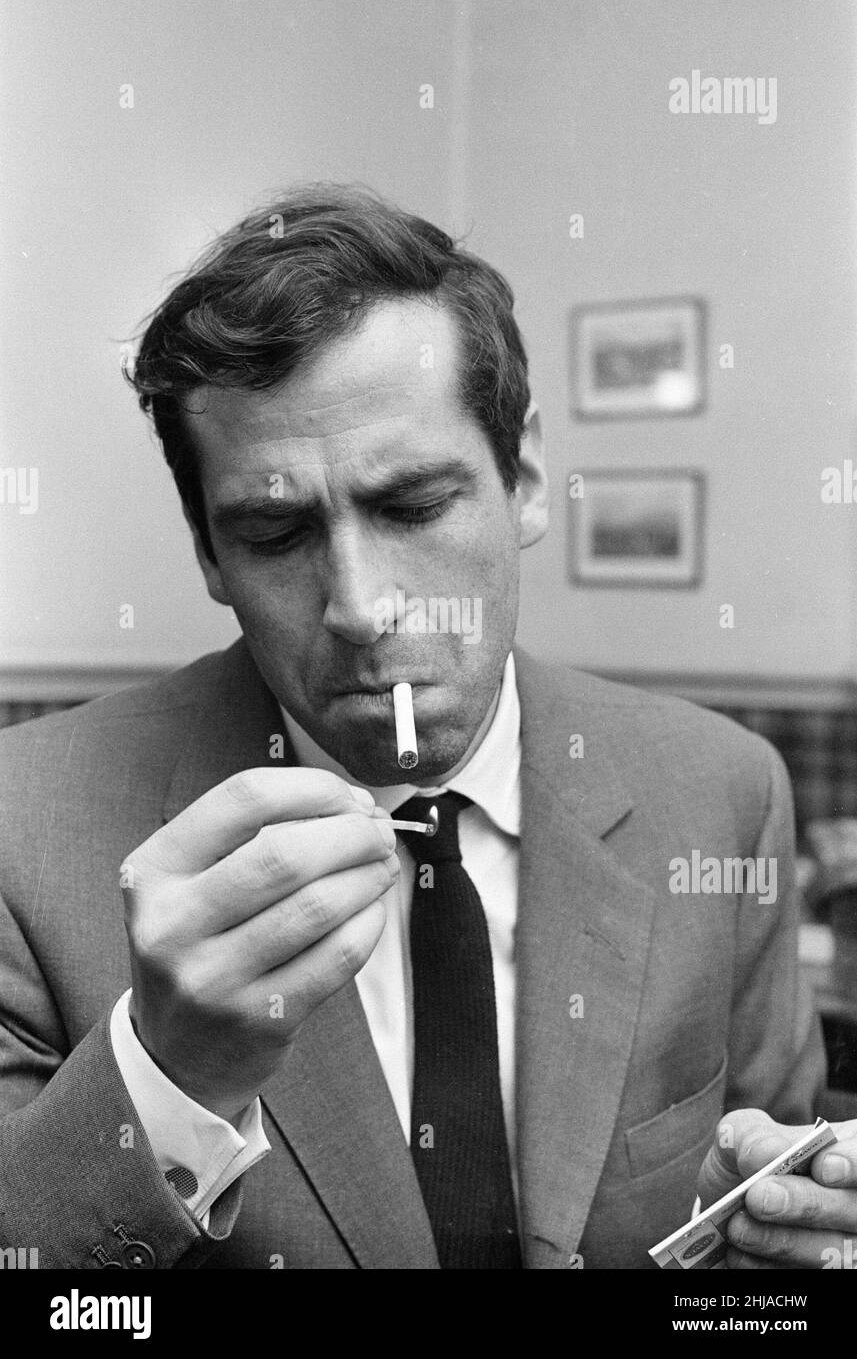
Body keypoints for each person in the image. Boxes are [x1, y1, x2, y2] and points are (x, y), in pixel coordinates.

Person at [0, 185, 854, 1270]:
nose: (359, 605)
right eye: (274, 531)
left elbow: (758, 1185)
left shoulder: (720, 789)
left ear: (526, 479)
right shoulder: (23, 830)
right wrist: (173, 1076)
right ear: (210, 555)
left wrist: (775, 1249)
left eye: (410, 508)